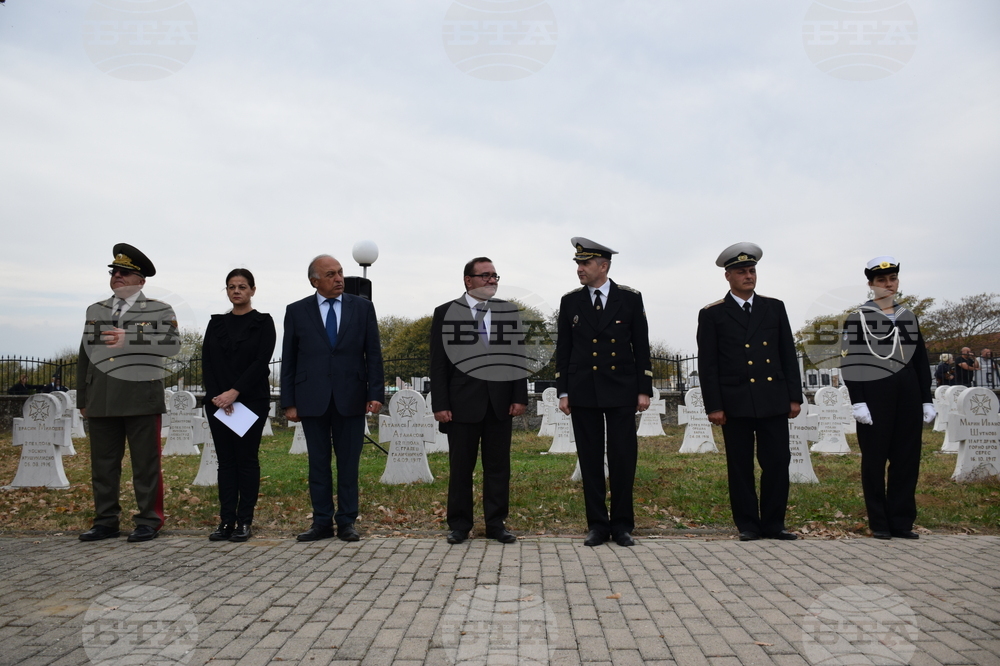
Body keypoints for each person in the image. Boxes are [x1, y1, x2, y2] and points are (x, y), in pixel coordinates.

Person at [696, 242, 801, 542]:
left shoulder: (774, 307)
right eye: (742, 271)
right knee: (740, 466)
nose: (749, 276)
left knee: (778, 462)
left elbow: (786, 354)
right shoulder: (713, 314)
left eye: (752, 270)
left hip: (773, 399)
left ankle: (774, 523)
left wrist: (794, 396)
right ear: (728, 276)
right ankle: (748, 524)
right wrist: (713, 406)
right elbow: (708, 365)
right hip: (735, 402)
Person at [77, 243, 180, 542]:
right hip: (102, 399)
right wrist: (82, 398)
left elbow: (172, 345)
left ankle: (149, 520)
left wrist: (131, 337)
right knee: (103, 466)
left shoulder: (160, 309)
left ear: (141, 280)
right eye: (114, 272)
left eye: (125, 272)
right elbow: (85, 354)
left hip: (140, 398)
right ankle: (106, 520)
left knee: (146, 465)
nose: (117, 276)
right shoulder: (95, 310)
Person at [281, 254, 384, 542]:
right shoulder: (297, 311)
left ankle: (347, 521)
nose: (338, 278)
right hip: (311, 398)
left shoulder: (362, 308)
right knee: (318, 463)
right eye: (330, 274)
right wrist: (289, 401)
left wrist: (375, 392)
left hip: (351, 396)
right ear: (315, 281)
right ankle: (321, 521)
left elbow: (373, 353)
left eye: (340, 272)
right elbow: (288, 358)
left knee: (348, 464)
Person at [556, 238, 652, 547]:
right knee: (590, 459)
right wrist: (563, 390)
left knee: (623, 458)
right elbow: (564, 349)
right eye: (578, 264)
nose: (579, 269)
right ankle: (597, 524)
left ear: (604, 266)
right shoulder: (570, 301)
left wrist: (644, 389)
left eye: (585, 264)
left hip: (621, 390)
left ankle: (622, 525)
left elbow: (641, 346)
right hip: (584, 390)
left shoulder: (630, 299)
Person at [430, 257, 528, 545]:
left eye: (495, 275)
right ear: (468, 280)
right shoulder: (446, 312)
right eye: (485, 276)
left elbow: (517, 358)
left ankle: (496, 524)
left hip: (499, 404)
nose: (492, 280)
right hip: (461, 404)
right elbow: (438, 363)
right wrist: (440, 404)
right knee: (461, 467)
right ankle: (460, 524)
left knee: (498, 467)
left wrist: (519, 397)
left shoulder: (508, 312)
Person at [842, 256, 935, 540]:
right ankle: (879, 522)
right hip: (874, 396)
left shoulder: (908, 316)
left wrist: (926, 398)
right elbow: (851, 361)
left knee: (907, 459)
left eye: (892, 279)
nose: (888, 284)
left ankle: (901, 521)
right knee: (874, 460)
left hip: (907, 395)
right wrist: (858, 400)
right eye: (881, 280)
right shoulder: (858, 317)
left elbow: (920, 360)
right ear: (871, 284)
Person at [202, 268, 276, 542]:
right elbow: (207, 362)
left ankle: (245, 520)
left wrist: (234, 392)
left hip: (251, 401)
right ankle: (226, 521)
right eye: (231, 286)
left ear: (252, 291)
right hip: (218, 403)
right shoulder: (216, 323)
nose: (236, 291)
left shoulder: (263, 322)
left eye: (242, 286)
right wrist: (219, 397)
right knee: (225, 462)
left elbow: (260, 362)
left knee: (246, 460)